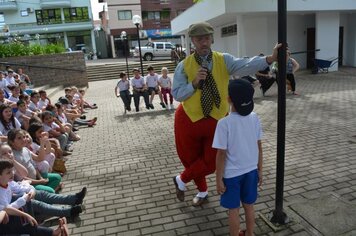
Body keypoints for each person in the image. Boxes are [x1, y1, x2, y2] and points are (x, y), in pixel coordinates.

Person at [172, 21, 279, 206]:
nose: (203, 43)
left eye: (206, 38)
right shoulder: (183, 66)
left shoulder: (224, 59)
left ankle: (181, 179)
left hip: (217, 120)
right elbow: (177, 94)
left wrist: (269, 59)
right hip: (188, 119)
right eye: (199, 39)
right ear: (193, 41)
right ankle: (203, 191)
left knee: (211, 163)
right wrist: (194, 83)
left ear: (212, 39)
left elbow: (245, 64)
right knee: (191, 159)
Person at [213, 79, 263, 236]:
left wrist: (218, 178)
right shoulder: (254, 117)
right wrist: (260, 170)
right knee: (249, 205)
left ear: (229, 99)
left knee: (233, 210)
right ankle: (249, 233)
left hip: (232, 175)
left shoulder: (224, 123)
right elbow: (259, 145)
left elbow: (221, 154)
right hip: (251, 171)